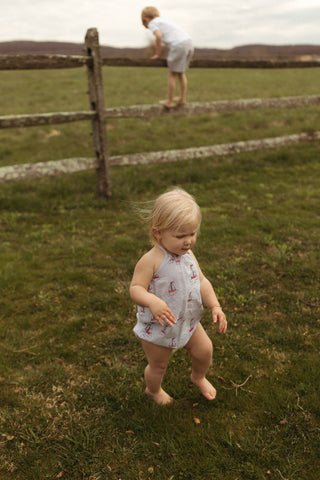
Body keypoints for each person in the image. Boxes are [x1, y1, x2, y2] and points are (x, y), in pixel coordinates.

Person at [130, 188, 227, 405]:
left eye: (192, 234)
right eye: (180, 236)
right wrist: (152, 301)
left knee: (205, 350)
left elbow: (201, 281)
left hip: (188, 320)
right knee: (159, 366)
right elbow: (136, 288)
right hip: (159, 325)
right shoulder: (151, 260)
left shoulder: (188, 255)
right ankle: (153, 390)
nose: (188, 241)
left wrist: (215, 306)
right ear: (158, 233)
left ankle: (198, 376)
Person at [141, 6, 194, 109]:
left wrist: (158, 53)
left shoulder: (153, 23)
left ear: (145, 19)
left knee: (172, 73)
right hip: (189, 42)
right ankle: (182, 99)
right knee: (181, 72)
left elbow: (159, 36)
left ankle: (169, 101)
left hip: (178, 45)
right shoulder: (164, 20)